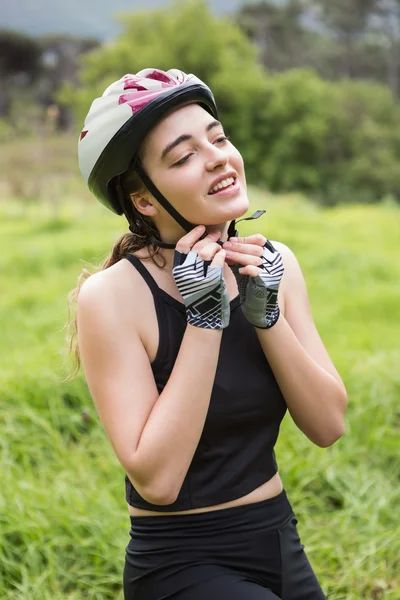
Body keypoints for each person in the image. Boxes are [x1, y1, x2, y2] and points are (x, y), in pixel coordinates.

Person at [71, 68, 348, 600]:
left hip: (278, 540)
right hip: (181, 562)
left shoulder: (275, 264)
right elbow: (157, 481)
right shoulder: (111, 297)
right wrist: (204, 320)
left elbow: (329, 424)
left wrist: (267, 316)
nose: (219, 156)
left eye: (217, 138)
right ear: (144, 201)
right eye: (183, 156)